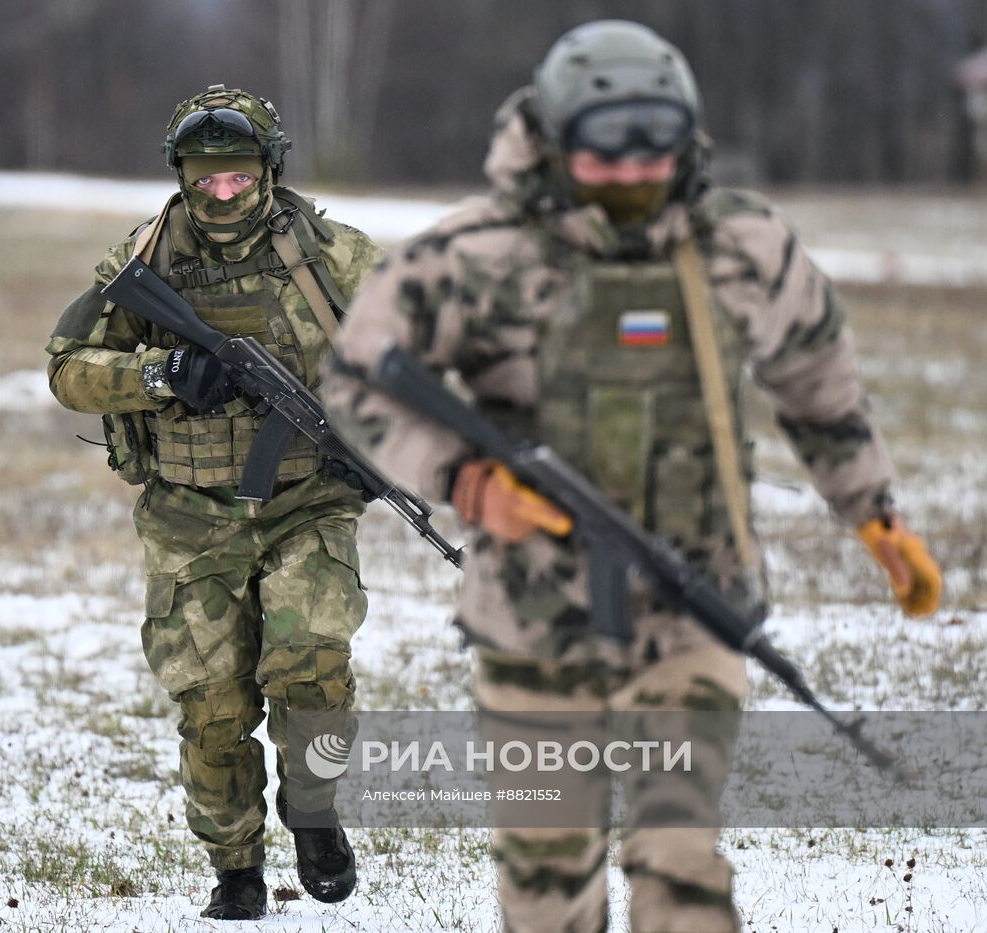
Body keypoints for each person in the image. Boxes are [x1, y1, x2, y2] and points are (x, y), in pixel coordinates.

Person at [323, 20, 942, 933]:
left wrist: (874, 512)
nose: (630, 177)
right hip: (531, 622)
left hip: (694, 610)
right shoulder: (475, 254)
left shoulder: (743, 247)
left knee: (681, 858)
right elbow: (357, 378)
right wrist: (460, 480)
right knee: (546, 884)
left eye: (651, 153)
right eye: (603, 155)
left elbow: (819, 382)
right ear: (557, 138)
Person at [45, 85, 386, 920]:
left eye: (238, 178)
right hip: (190, 515)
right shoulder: (145, 262)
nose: (221, 194)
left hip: (308, 499)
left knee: (311, 666)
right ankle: (235, 866)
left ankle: (314, 816)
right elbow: (66, 367)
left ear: (268, 171)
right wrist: (159, 376)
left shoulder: (333, 256)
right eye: (205, 179)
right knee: (212, 705)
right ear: (181, 175)